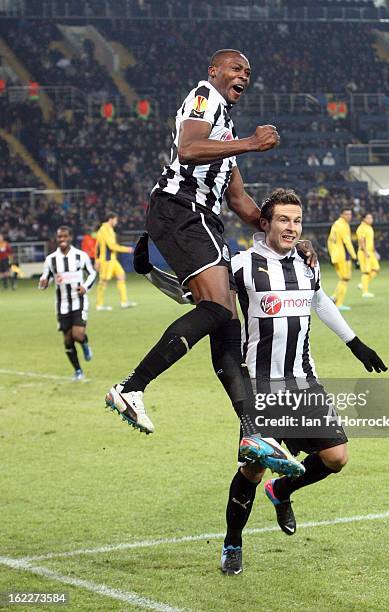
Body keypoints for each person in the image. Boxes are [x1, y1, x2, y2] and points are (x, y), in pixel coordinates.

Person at [106, 49, 316, 476]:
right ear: (214, 71)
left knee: (227, 322)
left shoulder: (226, 128)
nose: (244, 76)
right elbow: (187, 148)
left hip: (204, 219)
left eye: (248, 72)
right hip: (181, 209)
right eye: (236, 68)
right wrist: (252, 144)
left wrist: (283, 235)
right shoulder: (205, 97)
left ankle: (252, 431)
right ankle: (130, 388)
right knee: (219, 308)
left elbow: (238, 199)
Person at [219, 189, 387, 575]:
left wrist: (354, 343)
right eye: (283, 219)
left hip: (303, 382)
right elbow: (204, 295)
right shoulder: (242, 265)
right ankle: (232, 544)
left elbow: (321, 300)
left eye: (296, 220)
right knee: (253, 469)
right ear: (265, 223)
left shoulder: (307, 266)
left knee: (336, 457)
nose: (291, 227)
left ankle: (282, 492)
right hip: (260, 385)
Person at [39, 226, 97, 380]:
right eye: (60, 237)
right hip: (62, 304)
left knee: (78, 335)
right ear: (57, 239)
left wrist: (85, 287)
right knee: (67, 340)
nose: (62, 239)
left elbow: (92, 273)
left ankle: (85, 345)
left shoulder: (81, 256)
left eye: (65, 236)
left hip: (79, 302)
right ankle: (78, 371)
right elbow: (46, 277)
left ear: (70, 237)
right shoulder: (51, 259)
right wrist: (43, 282)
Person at [95, 212, 136, 311]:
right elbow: (110, 246)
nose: (116, 222)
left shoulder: (109, 229)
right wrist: (127, 249)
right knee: (103, 282)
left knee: (121, 276)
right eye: (116, 220)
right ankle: (99, 305)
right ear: (111, 219)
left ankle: (124, 302)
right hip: (106, 260)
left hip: (113, 260)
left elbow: (97, 246)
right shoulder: (104, 229)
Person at [327, 207, 357, 311]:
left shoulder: (335, 224)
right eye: (347, 214)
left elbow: (329, 241)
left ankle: (334, 297)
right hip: (342, 256)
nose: (349, 216)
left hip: (336, 256)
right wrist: (354, 256)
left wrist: (331, 255)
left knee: (344, 278)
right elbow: (347, 242)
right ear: (341, 215)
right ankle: (338, 303)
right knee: (345, 279)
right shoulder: (344, 226)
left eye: (350, 214)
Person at [356, 212, 379, 298]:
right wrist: (366, 252)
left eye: (371, 218)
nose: (371, 220)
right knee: (366, 272)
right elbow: (361, 241)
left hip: (371, 252)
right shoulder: (362, 228)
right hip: (364, 253)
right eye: (369, 218)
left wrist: (374, 252)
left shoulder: (369, 228)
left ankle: (363, 284)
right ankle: (365, 292)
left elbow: (370, 242)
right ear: (364, 219)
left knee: (376, 269)